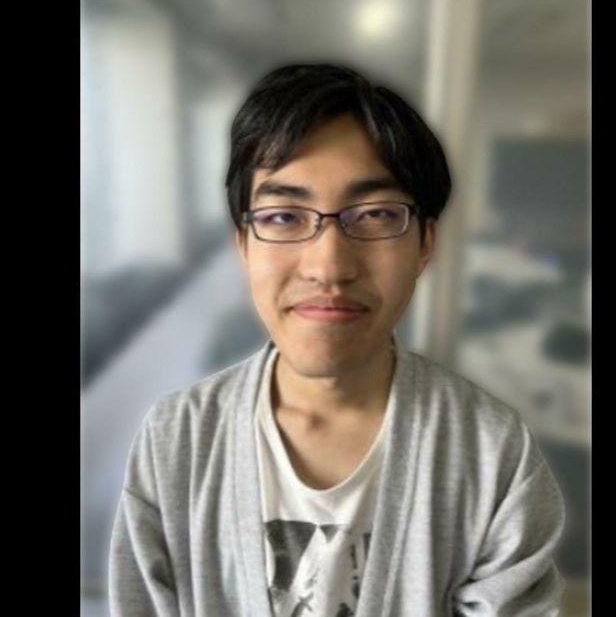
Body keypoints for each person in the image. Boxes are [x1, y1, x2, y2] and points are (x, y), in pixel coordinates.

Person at [110, 63, 565, 616]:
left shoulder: (491, 452)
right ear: (243, 244)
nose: (328, 265)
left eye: (375, 215)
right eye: (284, 216)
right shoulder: (177, 439)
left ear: (425, 243)